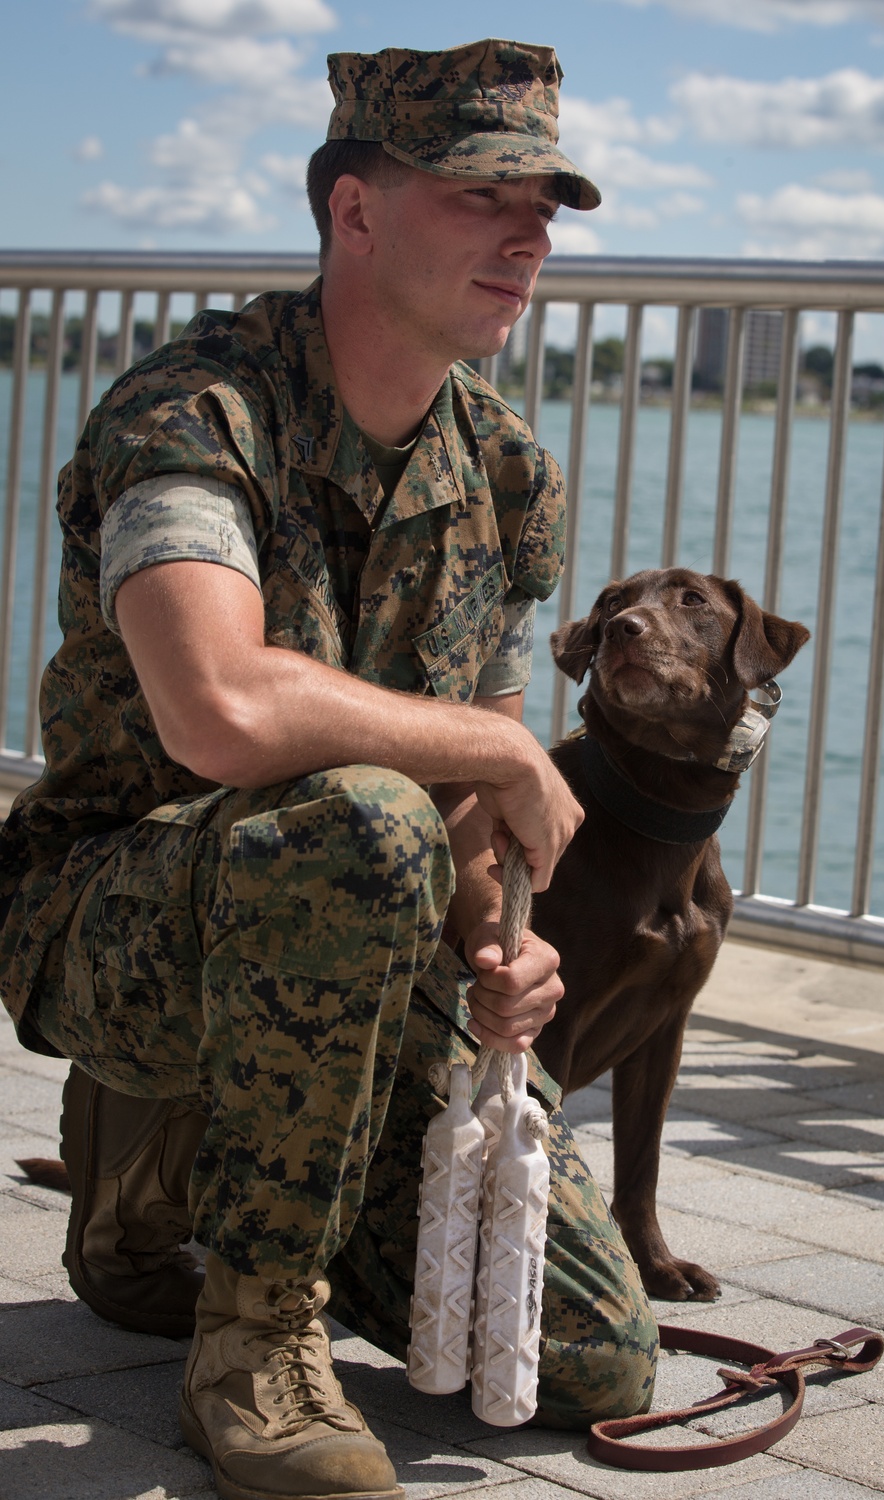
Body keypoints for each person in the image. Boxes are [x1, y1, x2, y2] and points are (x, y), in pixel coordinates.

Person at [0, 38, 658, 1500]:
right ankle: (251, 1336)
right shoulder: (194, 413)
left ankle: (210, 1171)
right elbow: (219, 711)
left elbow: (477, 818)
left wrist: (500, 937)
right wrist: (497, 740)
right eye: (487, 189)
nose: (532, 231)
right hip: (125, 917)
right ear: (355, 211)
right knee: (360, 820)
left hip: (357, 941)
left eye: (547, 199)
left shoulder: (506, 476)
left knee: (593, 1355)